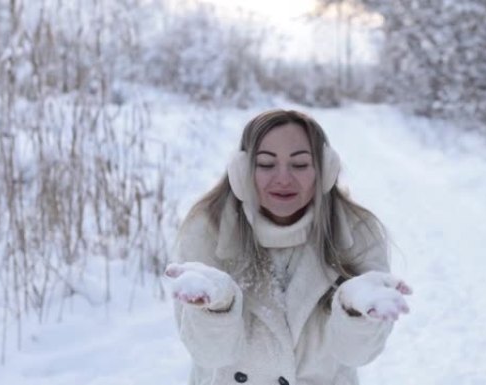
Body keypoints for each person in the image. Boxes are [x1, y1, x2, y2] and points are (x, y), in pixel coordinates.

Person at [163, 109, 412, 385]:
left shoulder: (356, 232)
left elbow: (357, 355)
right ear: (242, 170)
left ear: (324, 169)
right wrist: (216, 307)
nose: (283, 178)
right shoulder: (207, 230)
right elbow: (208, 355)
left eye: (301, 164)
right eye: (266, 164)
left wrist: (354, 311)